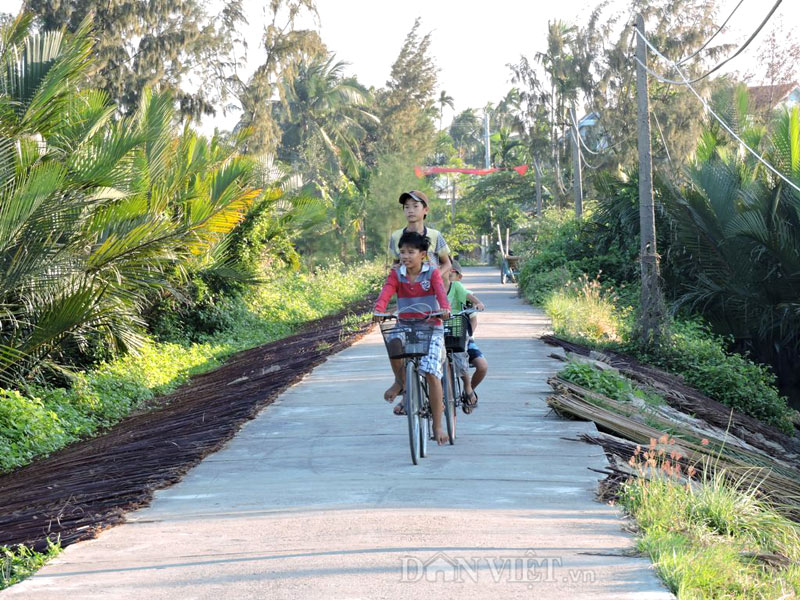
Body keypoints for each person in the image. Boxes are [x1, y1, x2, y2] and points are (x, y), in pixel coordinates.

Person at [374, 231, 451, 445]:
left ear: (423, 254)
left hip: (431, 326)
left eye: (411, 252)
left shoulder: (432, 273)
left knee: (430, 372)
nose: (406, 256)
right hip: (405, 325)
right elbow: (386, 292)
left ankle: (437, 425)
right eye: (402, 252)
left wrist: (444, 308)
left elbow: (441, 294)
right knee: (393, 342)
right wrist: (379, 309)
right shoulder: (396, 274)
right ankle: (400, 381)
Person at [383, 190, 452, 405]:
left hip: (433, 296)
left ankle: (441, 395)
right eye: (407, 207)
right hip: (409, 294)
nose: (410, 210)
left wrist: (432, 279)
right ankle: (403, 383)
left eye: (415, 206)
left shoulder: (435, 235)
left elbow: (447, 263)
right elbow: (395, 266)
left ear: (425, 210)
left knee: (435, 350)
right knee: (399, 344)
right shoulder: (397, 236)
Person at [446, 261, 489, 413]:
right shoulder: (431, 288)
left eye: (450, 272)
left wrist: (477, 302)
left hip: (460, 335)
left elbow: (472, 319)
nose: (446, 275)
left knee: (482, 366)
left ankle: (468, 389)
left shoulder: (459, 289)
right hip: (438, 333)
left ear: (458, 276)